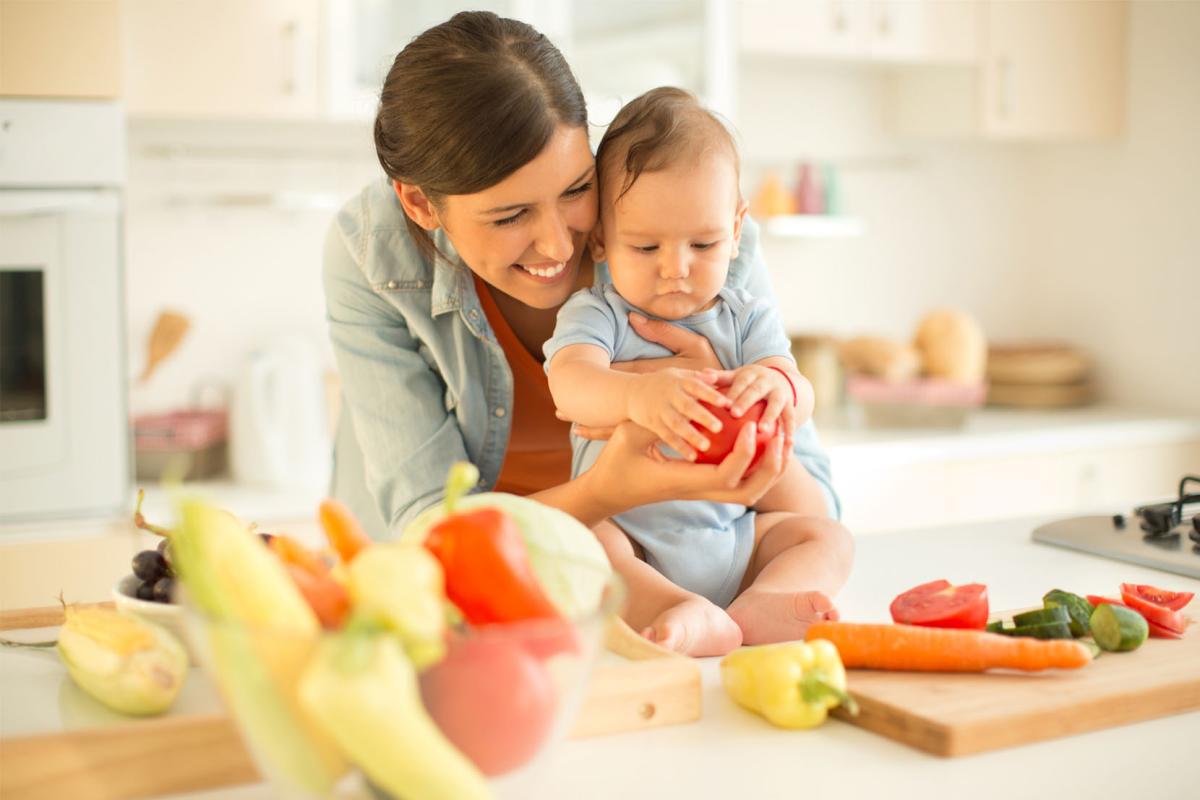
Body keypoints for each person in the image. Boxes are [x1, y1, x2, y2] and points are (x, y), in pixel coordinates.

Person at [322, 11, 843, 649]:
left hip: (691, 568)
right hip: (484, 593)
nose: (559, 243)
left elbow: (814, 502)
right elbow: (430, 543)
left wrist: (739, 392)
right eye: (511, 214)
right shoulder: (372, 255)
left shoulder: (682, 224)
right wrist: (607, 489)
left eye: (576, 189)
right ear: (421, 203)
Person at [544, 88, 853, 656]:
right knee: (585, 545)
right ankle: (672, 609)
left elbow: (799, 390)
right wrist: (637, 396)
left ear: (737, 231)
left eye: (703, 243)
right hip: (631, 536)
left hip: (733, 534)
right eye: (645, 247)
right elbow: (570, 384)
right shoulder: (599, 313)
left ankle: (760, 603)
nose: (675, 268)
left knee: (826, 537)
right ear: (603, 243)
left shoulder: (745, 317)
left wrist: (780, 386)